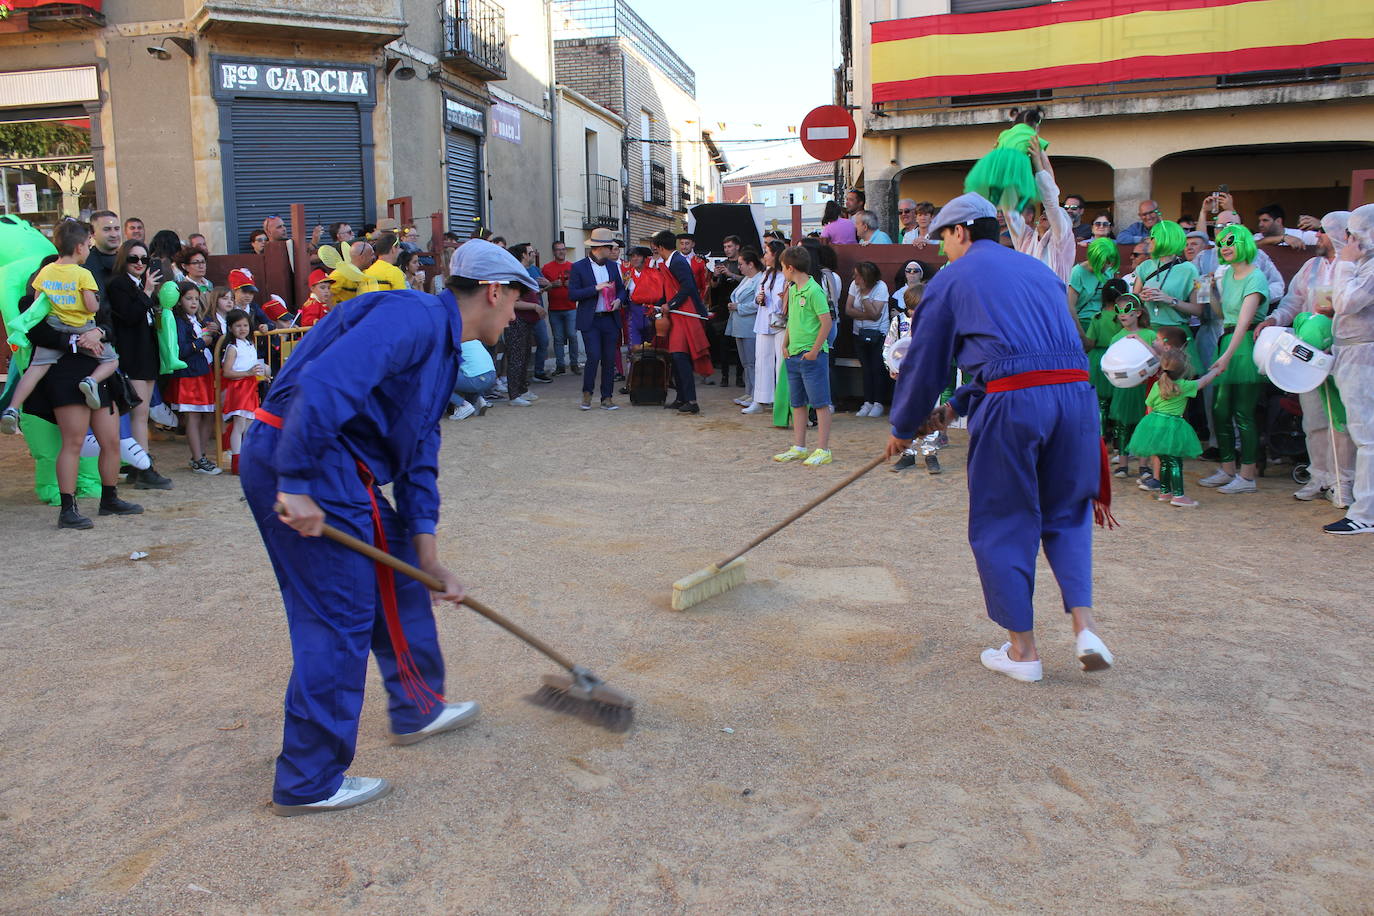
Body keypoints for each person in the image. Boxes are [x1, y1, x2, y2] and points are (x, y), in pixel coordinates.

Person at [240, 238, 533, 815]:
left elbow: (420, 449)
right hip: (313, 461)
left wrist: (426, 551)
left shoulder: (443, 346)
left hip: (337, 470)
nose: (517, 312)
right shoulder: (411, 316)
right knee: (337, 620)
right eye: (516, 299)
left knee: (397, 576)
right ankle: (308, 781)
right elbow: (324, 386)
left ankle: (417, 705)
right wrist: (296, 481)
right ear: (494, 291)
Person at [887, 193, 1111, 683]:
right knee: (1067, 512)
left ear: (961, 232)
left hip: (1015, 407)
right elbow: (1030, 360)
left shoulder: (950, 281)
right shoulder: (1039, 273)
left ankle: (1023, 652)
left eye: (942, 237)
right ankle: (1085, 626)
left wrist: (904, 427)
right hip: (1074, 400)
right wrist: (954, 408)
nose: (941, 249)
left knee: (1005, 518)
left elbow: (926, 364)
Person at [1254, 210, 1355, 504]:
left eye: (1323, 231)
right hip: (1309, 357)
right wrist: (1274, 319)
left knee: (1343, 422)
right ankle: (1319, 476)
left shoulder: (1356, 268)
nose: (1317, 237)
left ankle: (1344, 481)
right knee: (1314, 420)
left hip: (1344, 355)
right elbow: (1293, 301)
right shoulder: (1311, 267)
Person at [2, 221, 119, 433]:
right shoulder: (83, 274)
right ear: (78, 248)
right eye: (88, 244)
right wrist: (91, 299)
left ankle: (12, 408)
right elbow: (92, 306)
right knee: (111, 360)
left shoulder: (46, 271)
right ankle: (91, 381)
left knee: (35, 369)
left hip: (55, 325)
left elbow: (38, 304)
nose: (89, 249)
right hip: (82, 328)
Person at [1198, 225, 1269, 494]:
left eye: (1230, 241)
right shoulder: (1227, 276)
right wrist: (1211, 290)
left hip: (1245, 344)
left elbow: (1244, 322)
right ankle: (1228, 469)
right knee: (1220, 410)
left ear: (1243, 243)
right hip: (1226, 340)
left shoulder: (1256, 277)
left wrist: (1226, 356)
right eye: (1220, 243)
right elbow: (1221, 314)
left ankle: (1247, 475)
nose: (1224, 247)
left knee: (1244, 412)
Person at [107, 239, 174, 490]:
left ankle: (139, 466)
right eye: (133, 258)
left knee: (142, 414)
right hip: (132, 354)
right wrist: (146, 292)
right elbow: (129, 316)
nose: (139, 263)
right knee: (139, 413)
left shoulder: (140, 285)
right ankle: (144, 468)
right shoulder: (118, 284)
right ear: (124, 260)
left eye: (143, 259)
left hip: (146, 354)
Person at [1323, 203, 1374, 534]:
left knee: (1367, 435)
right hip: (1352, 353)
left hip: (1363, 355)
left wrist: (1344, 264)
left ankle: (1365, 513)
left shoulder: (1365, 268)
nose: (1349, 241)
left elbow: (1346, 303)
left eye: (1356, 234)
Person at [1127, 350, 1224, 508]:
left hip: (1154, 424)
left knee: (1165, 461)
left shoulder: (1158, 384)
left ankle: (1165, 492)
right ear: (1184, 369)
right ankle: (1178, 496)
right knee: (1175, 462)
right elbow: (1204, 381)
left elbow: (1149, 406)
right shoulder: (1183, 386)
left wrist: (1152, 427)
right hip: (1173, 426)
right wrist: (1216, 371)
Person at [770, 247, 834, 466]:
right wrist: (786, 343)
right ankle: (799, 446)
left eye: (783, 268)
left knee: (820, 402)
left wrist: (815, 350)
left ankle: (823, 449)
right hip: (795, 353)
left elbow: (827, 321)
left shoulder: (814, 291)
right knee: (797, 402)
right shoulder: (795, 288)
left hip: (811, 354)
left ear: (790, 267)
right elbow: (793, 319)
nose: (782, 272)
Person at [165, 282, 222, 475]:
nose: (193, 302)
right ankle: (198, 459)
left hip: (204, 371)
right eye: (189, 298)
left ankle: (200, 456)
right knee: (193, 415)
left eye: (196, 298)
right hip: (189, 374)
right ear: (179, 301)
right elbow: (180, 350)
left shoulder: (200, 319)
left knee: (208, 414)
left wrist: (215, 333)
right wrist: (201, 342)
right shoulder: (178, 321)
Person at [886, 283, 942, 474]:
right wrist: (891, 366)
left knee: (930, 415)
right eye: (913, 309)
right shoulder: (898, 323)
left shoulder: (935, 326)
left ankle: (930, 453)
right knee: (904, 414)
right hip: (905, 379)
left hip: (927, 379)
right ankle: (907, 453)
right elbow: (889, 348)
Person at [568, 229, 626, 411]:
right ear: (601, 248)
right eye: (611, 247)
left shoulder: (612, 266)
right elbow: (572, 294)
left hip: (610, 318)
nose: (613, 251)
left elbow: (622, 290)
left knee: (609, 359)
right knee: (593, 356)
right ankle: (587, 394)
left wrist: (619, 300)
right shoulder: (579, 267)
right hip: (591, 319)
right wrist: (595, 288)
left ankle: (607, 397)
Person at [1004, 144, 1074, 282]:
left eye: (1049, 215)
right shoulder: (1026, 240)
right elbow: (1010, 210)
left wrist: (1038, 159)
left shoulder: (1062, 242)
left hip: (1052, 302)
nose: (1045, 215)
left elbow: (1051, 202)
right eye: (1043, 213)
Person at [1107, 293, 1156, 478]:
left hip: (1144, 389)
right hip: (1124, 390)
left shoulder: (1150, 335)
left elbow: (1156, 359)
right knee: (1122, 425)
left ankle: (1144, 465)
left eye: (1126, 309)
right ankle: (1122, 464)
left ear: (1138, 313)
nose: (1122, 314)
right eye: (1118, 310)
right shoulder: (1116, 337)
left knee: (1142, 425)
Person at [964, 107, 1048, 213]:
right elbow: (1044, 159)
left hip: (996, 170)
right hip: (1016, 168)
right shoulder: (1032, 136)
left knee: (994, 196)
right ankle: (1018, 210)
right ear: (1036, 126)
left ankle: (988, 210)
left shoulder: (1004, 134)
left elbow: (995, 147)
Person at [744, 240, 787, 415]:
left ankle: (780, 400)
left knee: (780, 362)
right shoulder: (766, 274)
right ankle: (760, 399)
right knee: (762, 360)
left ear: (775, 255)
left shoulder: (785, 274)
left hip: (780, 322)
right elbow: (757, 296)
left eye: (767, 252)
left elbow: (784, 298)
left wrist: (776, 301)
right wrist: (759, 298)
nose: (764, 256)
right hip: (763, 321)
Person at [219, 307, 264, 474]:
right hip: (238, 389)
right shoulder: (233, 348)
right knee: (239, 425)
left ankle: (247, 459)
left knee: (249, 425)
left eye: (245, 325)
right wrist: (247, 373)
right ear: (230, 328)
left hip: (251, 387)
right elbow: (227, 371)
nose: (242, 329)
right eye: (238, 326)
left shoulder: (249, 344)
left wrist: (260, 374)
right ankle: (237, 463)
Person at [502, 243, 546, 408]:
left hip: (526, 321)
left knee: (525, 355)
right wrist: (535, 306)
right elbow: (512, 302)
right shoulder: (514, 275)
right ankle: (514, 395)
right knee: (516, 357)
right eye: (530, 252)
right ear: (523, 255)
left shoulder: (522, 274)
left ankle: (522, 389)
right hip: (515, 321)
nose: (533, 254)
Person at [845, 260, 890, 418]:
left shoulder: (881, 287)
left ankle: (878, 402)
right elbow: (848, 309)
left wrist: (864, 296)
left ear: (866, 278)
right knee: (866, 368)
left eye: (858, 276)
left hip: (879, 333)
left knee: (877, 368)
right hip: (859, 332)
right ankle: (868, 401)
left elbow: (876, 314)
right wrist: (866, 315)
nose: (855, 279)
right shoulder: (853, 285)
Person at [728, 248, 762, 407]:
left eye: (742, 264)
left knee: (752, 362)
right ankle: (749, 391)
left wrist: (739, 307)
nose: (739, 267)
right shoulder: (747, 279)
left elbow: (758, 304)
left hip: (749, 324)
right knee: (746, 362)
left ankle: (755, 392)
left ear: (751, 264)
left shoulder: (759, 279)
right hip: (740, 324)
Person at [542, 240, 579, 375]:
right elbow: (541, 287)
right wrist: (551, 284)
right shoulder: (546, 268)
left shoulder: (573, 267)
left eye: (563, 249)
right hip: (554, 309)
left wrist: (572, 285)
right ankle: (560, 366)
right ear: (554, 252)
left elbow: (580, 286)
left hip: (570, 308)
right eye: (558, 249)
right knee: (558, 338)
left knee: (572, 335)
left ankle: (574, 364)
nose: (561, 252)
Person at [449, 338, 497, 420]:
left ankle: (463, 405)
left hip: (476, 380)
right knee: (467, 371)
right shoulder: (471, 338)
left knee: (437, 380)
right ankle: (478, 400)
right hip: (492, 376)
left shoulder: (449, 340)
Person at [84, 210, 122, 300]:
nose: (114, 234)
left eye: (117, 229)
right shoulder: (85, 263)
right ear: (93, 233)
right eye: (107, 229)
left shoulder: (130, 260)